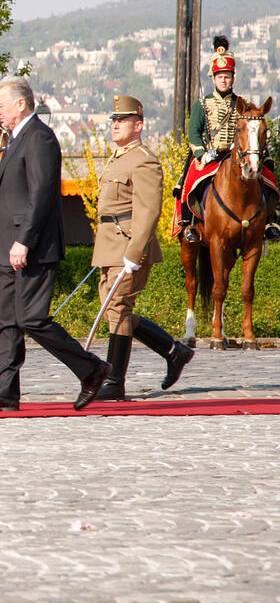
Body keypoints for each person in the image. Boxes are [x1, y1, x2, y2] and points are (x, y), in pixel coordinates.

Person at [0, 77, 110, 413]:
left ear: (20, 104)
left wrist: (24, 240)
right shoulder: (16, 138)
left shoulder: (40, 138)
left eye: (1, 105)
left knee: (31, 319)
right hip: (8, 248)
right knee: (6, 321)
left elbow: (41, 194)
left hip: (30, 248)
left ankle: (91, 369)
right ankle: (4, 392)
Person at [93, 94, 194, 400]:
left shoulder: (144, 160)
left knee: (119, 308)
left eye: (122, 120)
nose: (115, 125)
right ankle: (174, 351)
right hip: (109, 244)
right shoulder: (118, 158)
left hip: (127, 245)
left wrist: (134, 252)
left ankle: (114, 381)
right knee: (113, 311)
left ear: (138, 125)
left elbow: (148, 211)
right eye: (114, 120)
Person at [174, 34, 280, 242]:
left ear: (233, 78)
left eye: (228, 76)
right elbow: (194, 133)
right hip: (210, 156)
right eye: (220, 76)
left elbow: (254, 130)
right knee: (190, 181)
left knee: (267, 179)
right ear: (213, 78)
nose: (224, 80)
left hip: (237, 156)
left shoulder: (243, 104)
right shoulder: (202, 105)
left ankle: (269, 222)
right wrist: (202, 154)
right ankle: (188, 224)